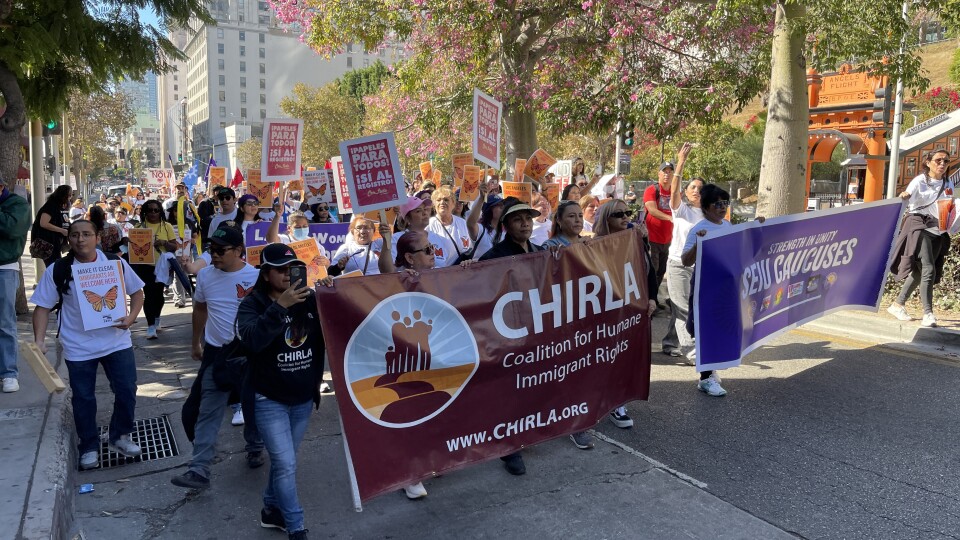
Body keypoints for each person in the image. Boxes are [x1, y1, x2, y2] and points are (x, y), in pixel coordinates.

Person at [31, 220, 145, 469]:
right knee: (83, 398)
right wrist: (39, 340)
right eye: (75, 235)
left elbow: (137, 292)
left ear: (97, 238)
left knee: (126, 389)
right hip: (78, 346)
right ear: (68, 239)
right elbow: (41, 307)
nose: (80, 239)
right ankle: (89, 446)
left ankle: (120, 436)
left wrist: (131, 317)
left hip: (116, 342)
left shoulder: (115, 263)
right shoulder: (58, 270)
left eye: (86, 234)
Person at [236, 243, 331, 539]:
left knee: (283, 462)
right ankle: (296, 528)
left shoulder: (310, 299)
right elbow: (250, 340)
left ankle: (270, 509)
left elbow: (341, 322)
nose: (288, 275)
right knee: (286, 464)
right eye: (280, 270)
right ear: (265, 274)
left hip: (302, 399)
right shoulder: (251, 305)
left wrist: (332, 293)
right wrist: (280, 308)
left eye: (293, 269)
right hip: (268, 399)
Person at [172, 226, 264, 490]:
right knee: (201, 411)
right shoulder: (205, 276)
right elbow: (200, 308)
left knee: (253, 405)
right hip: (216, 354)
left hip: (249, 354)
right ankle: (199, 468)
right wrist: (195, 342)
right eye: (211, 249)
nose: (215, 255)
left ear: (238, 251)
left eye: (221, 250)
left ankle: (255, 446)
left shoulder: (258, 277)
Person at [479, 197, 544, 475]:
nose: (525, 224)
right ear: (506, 226)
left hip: (535, 329)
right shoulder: (493, 258)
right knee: (510, 389)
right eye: (518, 219)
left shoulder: (542, 251)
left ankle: (526, 432)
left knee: (531, 386)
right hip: (507, 334)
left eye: (528, 219)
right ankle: (509, 448)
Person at [593, 199, 658, 427]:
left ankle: (617, 402)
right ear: (606, 219)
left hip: (633, 309)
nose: (625, 217)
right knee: (607, 357)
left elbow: (648, 271)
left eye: (627, 212)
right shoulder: (595, 245)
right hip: (606, 311)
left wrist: (651, 298)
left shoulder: (635, 240)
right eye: (618, 213)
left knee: (625, 355)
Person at [680, 184, 739, 397]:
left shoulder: (728, 225)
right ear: (706, 207)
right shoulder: (698, 228)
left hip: (724, 286)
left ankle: (710, 371)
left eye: (725, 203)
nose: (723, 208)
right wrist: (698, 243)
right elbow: (685, 261)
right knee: (703, 328)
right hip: (705, 284)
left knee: (718, 327)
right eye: (718, 204)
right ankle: (705, 379)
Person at [888, 149, 954, 328]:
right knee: (928, 269)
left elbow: (948, 206)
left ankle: (898, 304)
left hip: (939, 230)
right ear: (928, 162)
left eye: (946, 161)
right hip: (919, 226)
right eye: (938, 160)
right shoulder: (919, 181)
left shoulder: (948, 182)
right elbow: (907, 197)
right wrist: (905, 196)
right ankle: (928, 313)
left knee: (919, 273)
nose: (942, 164)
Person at [661, 144, 700, 363]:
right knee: (683, 305)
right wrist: (681, 161)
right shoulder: (681, 209)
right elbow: (673, 191)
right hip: (677, 264)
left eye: (700, 188)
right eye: (692, 187)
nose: (696, 190)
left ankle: (669, 341)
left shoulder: (709, 215)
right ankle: (691, 351)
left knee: (683, 304)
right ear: (686, 192)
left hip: (699, 266)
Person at [0, 180, 31, 393]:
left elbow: (11, 229)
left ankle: (9, 373)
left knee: (4, 322)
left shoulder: (18, 205)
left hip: (4, 269)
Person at [131, 199, 177, 339]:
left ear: (160, 212)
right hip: (144, 267)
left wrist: (164, 242)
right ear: (144, 212)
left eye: (156, 210)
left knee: (158, 295)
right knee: (149, 295)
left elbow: (175, 246)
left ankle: (157, 317)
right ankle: (151, 326)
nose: (153, 213)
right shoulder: (139, 227)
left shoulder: (167, 226)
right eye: (149, 210)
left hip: (161, 266)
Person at [377, 197, 450, 272]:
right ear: (407, 219)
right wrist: (386, 241)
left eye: (425, 209)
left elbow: (447, 268)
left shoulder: (438, 238)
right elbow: (387, 271)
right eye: (418, 211)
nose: (425, 213)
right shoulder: (397, 238)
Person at [426, 185, 483, 266]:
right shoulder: (428, 226)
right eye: (438, 200)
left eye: (446, 200)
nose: (442, 202)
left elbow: (473, 249)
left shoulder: (463, 223)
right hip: (440, 275)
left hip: (463, 272)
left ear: (453, 204)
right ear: (434, 205)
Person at [644, 162, 676, 306]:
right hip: (652, 238)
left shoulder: (675, 191)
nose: (667, 174)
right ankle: (648, 301)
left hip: (668, 240)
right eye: (664, 171)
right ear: (659, 174)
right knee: (652, 270)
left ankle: (654, 299)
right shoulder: (652, 189)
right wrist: (670, 218)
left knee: (661, 271)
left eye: (670, 172)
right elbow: (652, 209)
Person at [31, 185, 72, 267]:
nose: (70, 198)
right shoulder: (51, 206)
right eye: (69, 195)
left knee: (55, 265)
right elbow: (44, 223)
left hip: (53, 243)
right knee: (53, 267)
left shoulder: (58, 207)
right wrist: (61, 230)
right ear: (63, 195)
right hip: (48, 243)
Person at [471, 194, 503, 260]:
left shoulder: (506, 233)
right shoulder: (481, 230)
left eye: (502, 205)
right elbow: (471, 224)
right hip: (480, 269)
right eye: (498, 205)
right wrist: (481, 198)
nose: (502, 207)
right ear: (489, 209)